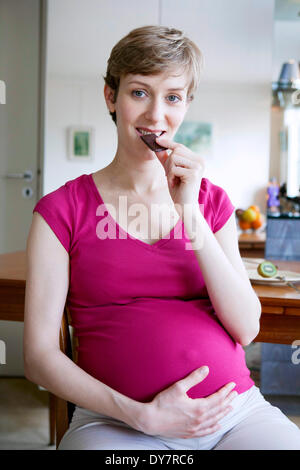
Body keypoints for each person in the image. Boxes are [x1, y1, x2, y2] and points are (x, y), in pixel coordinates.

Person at [23, 25, 300, 450]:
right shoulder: (61, 210)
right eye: (139, 92)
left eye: (172, 97)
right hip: (116, 423)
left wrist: (190, 211)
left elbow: (246, 327)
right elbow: (39, 358)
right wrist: (142, 415)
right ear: (110, 97)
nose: (156, 115)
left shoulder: (210, 201)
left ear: (186, 105)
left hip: (235, 416)